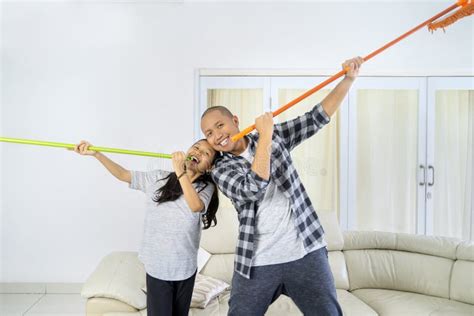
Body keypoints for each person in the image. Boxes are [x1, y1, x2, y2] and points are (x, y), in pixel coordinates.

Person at [200, 57, 363, 315]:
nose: (217, 135)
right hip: (257, 260)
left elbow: (316, 118)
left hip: (305, 251)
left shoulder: (274, 136)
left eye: (220, 125)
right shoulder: (222, 169)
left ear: (234, 120)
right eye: (209, 133)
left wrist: (348, 79)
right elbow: (254, 188)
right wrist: (265, 136)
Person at [74, 139, 219, 316]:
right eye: (196, 147)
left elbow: (195, 206)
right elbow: (123, 174)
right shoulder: (157, 177)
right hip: (157, 267)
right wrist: (97, 154)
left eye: (206, 153)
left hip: (185, 268)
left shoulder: (206, 187)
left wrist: (181, 173)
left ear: (210, 167)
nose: (198, 152)